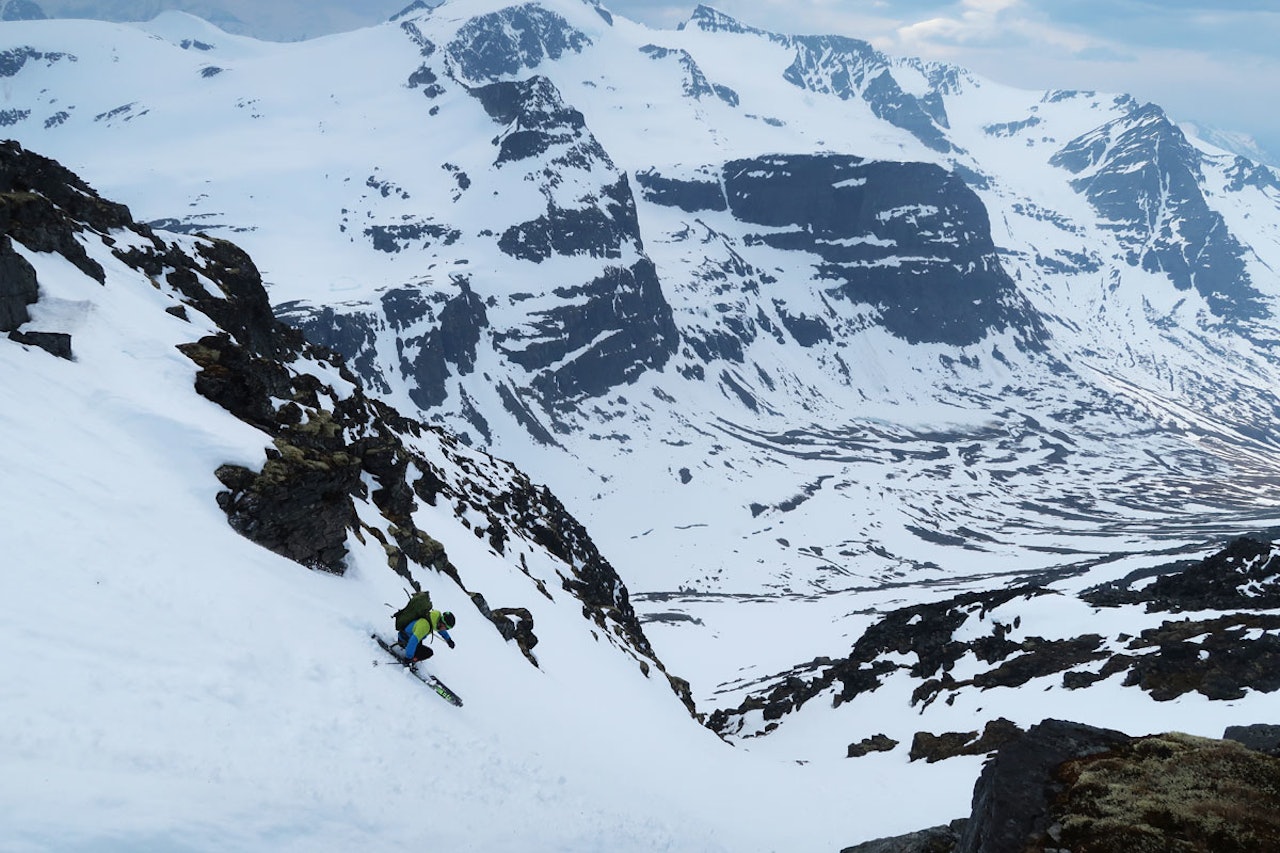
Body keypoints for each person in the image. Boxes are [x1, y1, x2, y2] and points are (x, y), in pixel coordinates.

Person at [393, 591, 457, 662]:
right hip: (404, 639)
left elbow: (441, 631)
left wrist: (448, 640)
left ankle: (412, 656)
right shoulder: (425, 626)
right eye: (446, 628)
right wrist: (408, 657)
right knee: (428, 653)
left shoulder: (434, 619)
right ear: (443, 623)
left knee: (419, 643)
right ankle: (412, 659)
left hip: (407, 635)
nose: (445, 629)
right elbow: (413, 641)